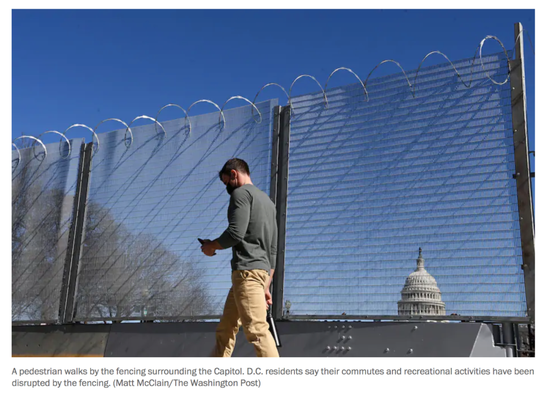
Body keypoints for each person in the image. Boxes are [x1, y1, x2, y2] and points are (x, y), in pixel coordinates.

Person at [200, 158, 279, 357]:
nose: (227, 187)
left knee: (257, 331)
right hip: (255, 275)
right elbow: (273, 249)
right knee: (226, 330)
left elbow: (235, 234)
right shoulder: (268, 202)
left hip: (247, 275)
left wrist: (210, 246)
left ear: (234, 174)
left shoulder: (240, 194)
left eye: (226, 181)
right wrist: (266, 285)